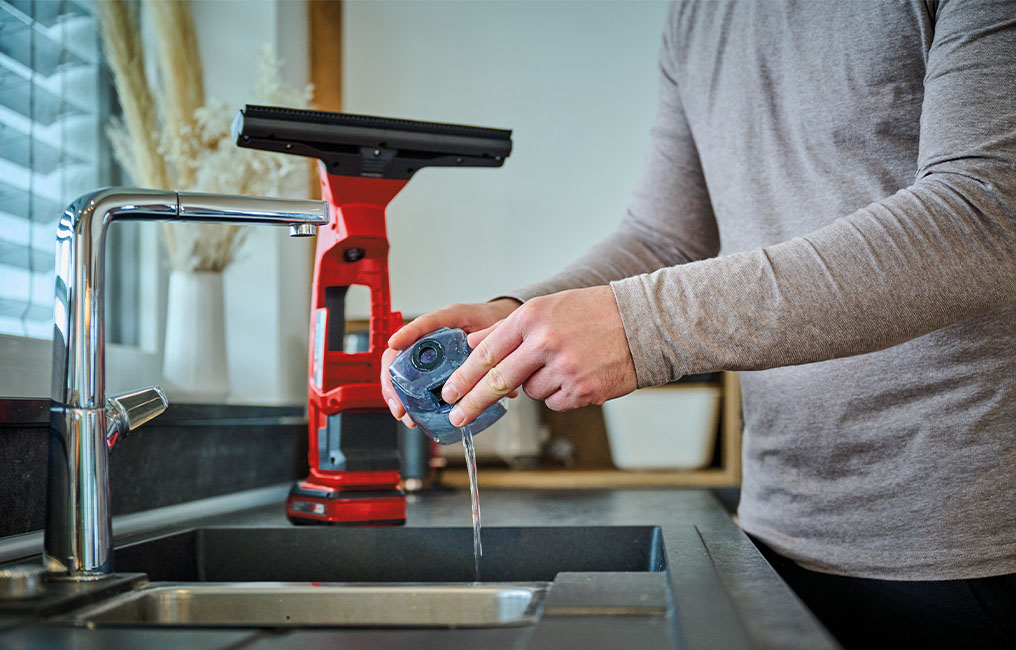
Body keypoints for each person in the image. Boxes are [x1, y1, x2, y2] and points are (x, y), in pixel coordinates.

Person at [380, 1, 1016, 647]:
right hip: (774, 530)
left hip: (971, 538)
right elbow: (664, 236)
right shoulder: (701, 13)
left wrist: (642, 326)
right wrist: (516, 317)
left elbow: (987, 212)